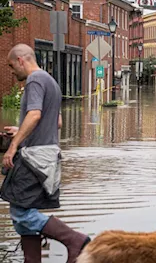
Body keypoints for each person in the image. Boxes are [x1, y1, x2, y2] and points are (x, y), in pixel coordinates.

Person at [1, 44, 91, 263]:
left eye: (12, 66)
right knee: (23, 210)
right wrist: (19, 128)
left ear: (21, 60)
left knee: (21, 213)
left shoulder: (34, 80)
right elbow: (56, 122)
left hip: (34, 158)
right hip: (47, 157)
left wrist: (12, 147)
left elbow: (35, 115)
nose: (12, 72)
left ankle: (75, 240)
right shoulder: (50, 81)